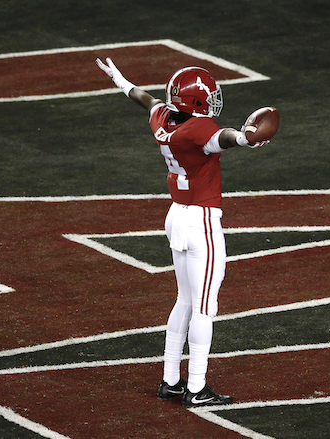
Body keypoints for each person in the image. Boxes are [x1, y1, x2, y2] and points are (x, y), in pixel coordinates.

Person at [96, 58, 267, 407]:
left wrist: (123, 82)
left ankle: (171, 380)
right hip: (201, 220)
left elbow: (146, 100)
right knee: (205, 306)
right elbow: (225, 138)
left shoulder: (163, 120)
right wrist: (247, 139)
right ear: (196, 102)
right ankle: (197, 387)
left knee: (185, 300)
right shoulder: (199, 129)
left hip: (176, 215)